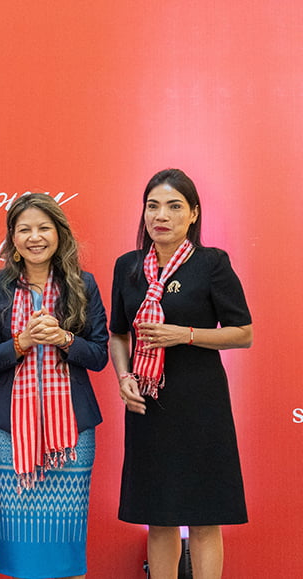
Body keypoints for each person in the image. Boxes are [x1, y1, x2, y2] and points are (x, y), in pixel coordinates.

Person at [110, 169, 252, 579]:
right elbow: (118, 334)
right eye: (153, 206)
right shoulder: (128, 267)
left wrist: (184, 334)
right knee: (159, 517)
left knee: (206, 517)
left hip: (201, 405)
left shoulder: (211, 263)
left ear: (193, 214)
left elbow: (243, 334)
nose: (162, 216)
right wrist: (124, 377)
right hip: (149, 406)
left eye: (174, 206)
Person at [0, 194, 108, 579]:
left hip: (71, 434)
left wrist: (64, 339)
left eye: (43, 228)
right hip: (10, 433)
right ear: (13, 239)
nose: (35, 237)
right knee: (22, 545)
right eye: (25, 230)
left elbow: (99, 355)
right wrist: (23, 342)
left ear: (59, 234)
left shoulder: (82, 285)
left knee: (67, 543)